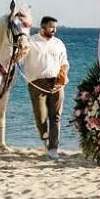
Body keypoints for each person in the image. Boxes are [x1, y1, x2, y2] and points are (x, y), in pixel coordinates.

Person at [25, 15, 69, 158]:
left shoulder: (59, 43)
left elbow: (64, 62)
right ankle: (45, 140)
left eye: (55, 27)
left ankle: (53, 148)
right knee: (41, 117)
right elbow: (19, 58)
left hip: (57, 83)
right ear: (42, 27)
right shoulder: (30, 42)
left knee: (55, 117)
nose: (54, 30)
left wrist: (63, 74)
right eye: (51, 27)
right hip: (37, 83)